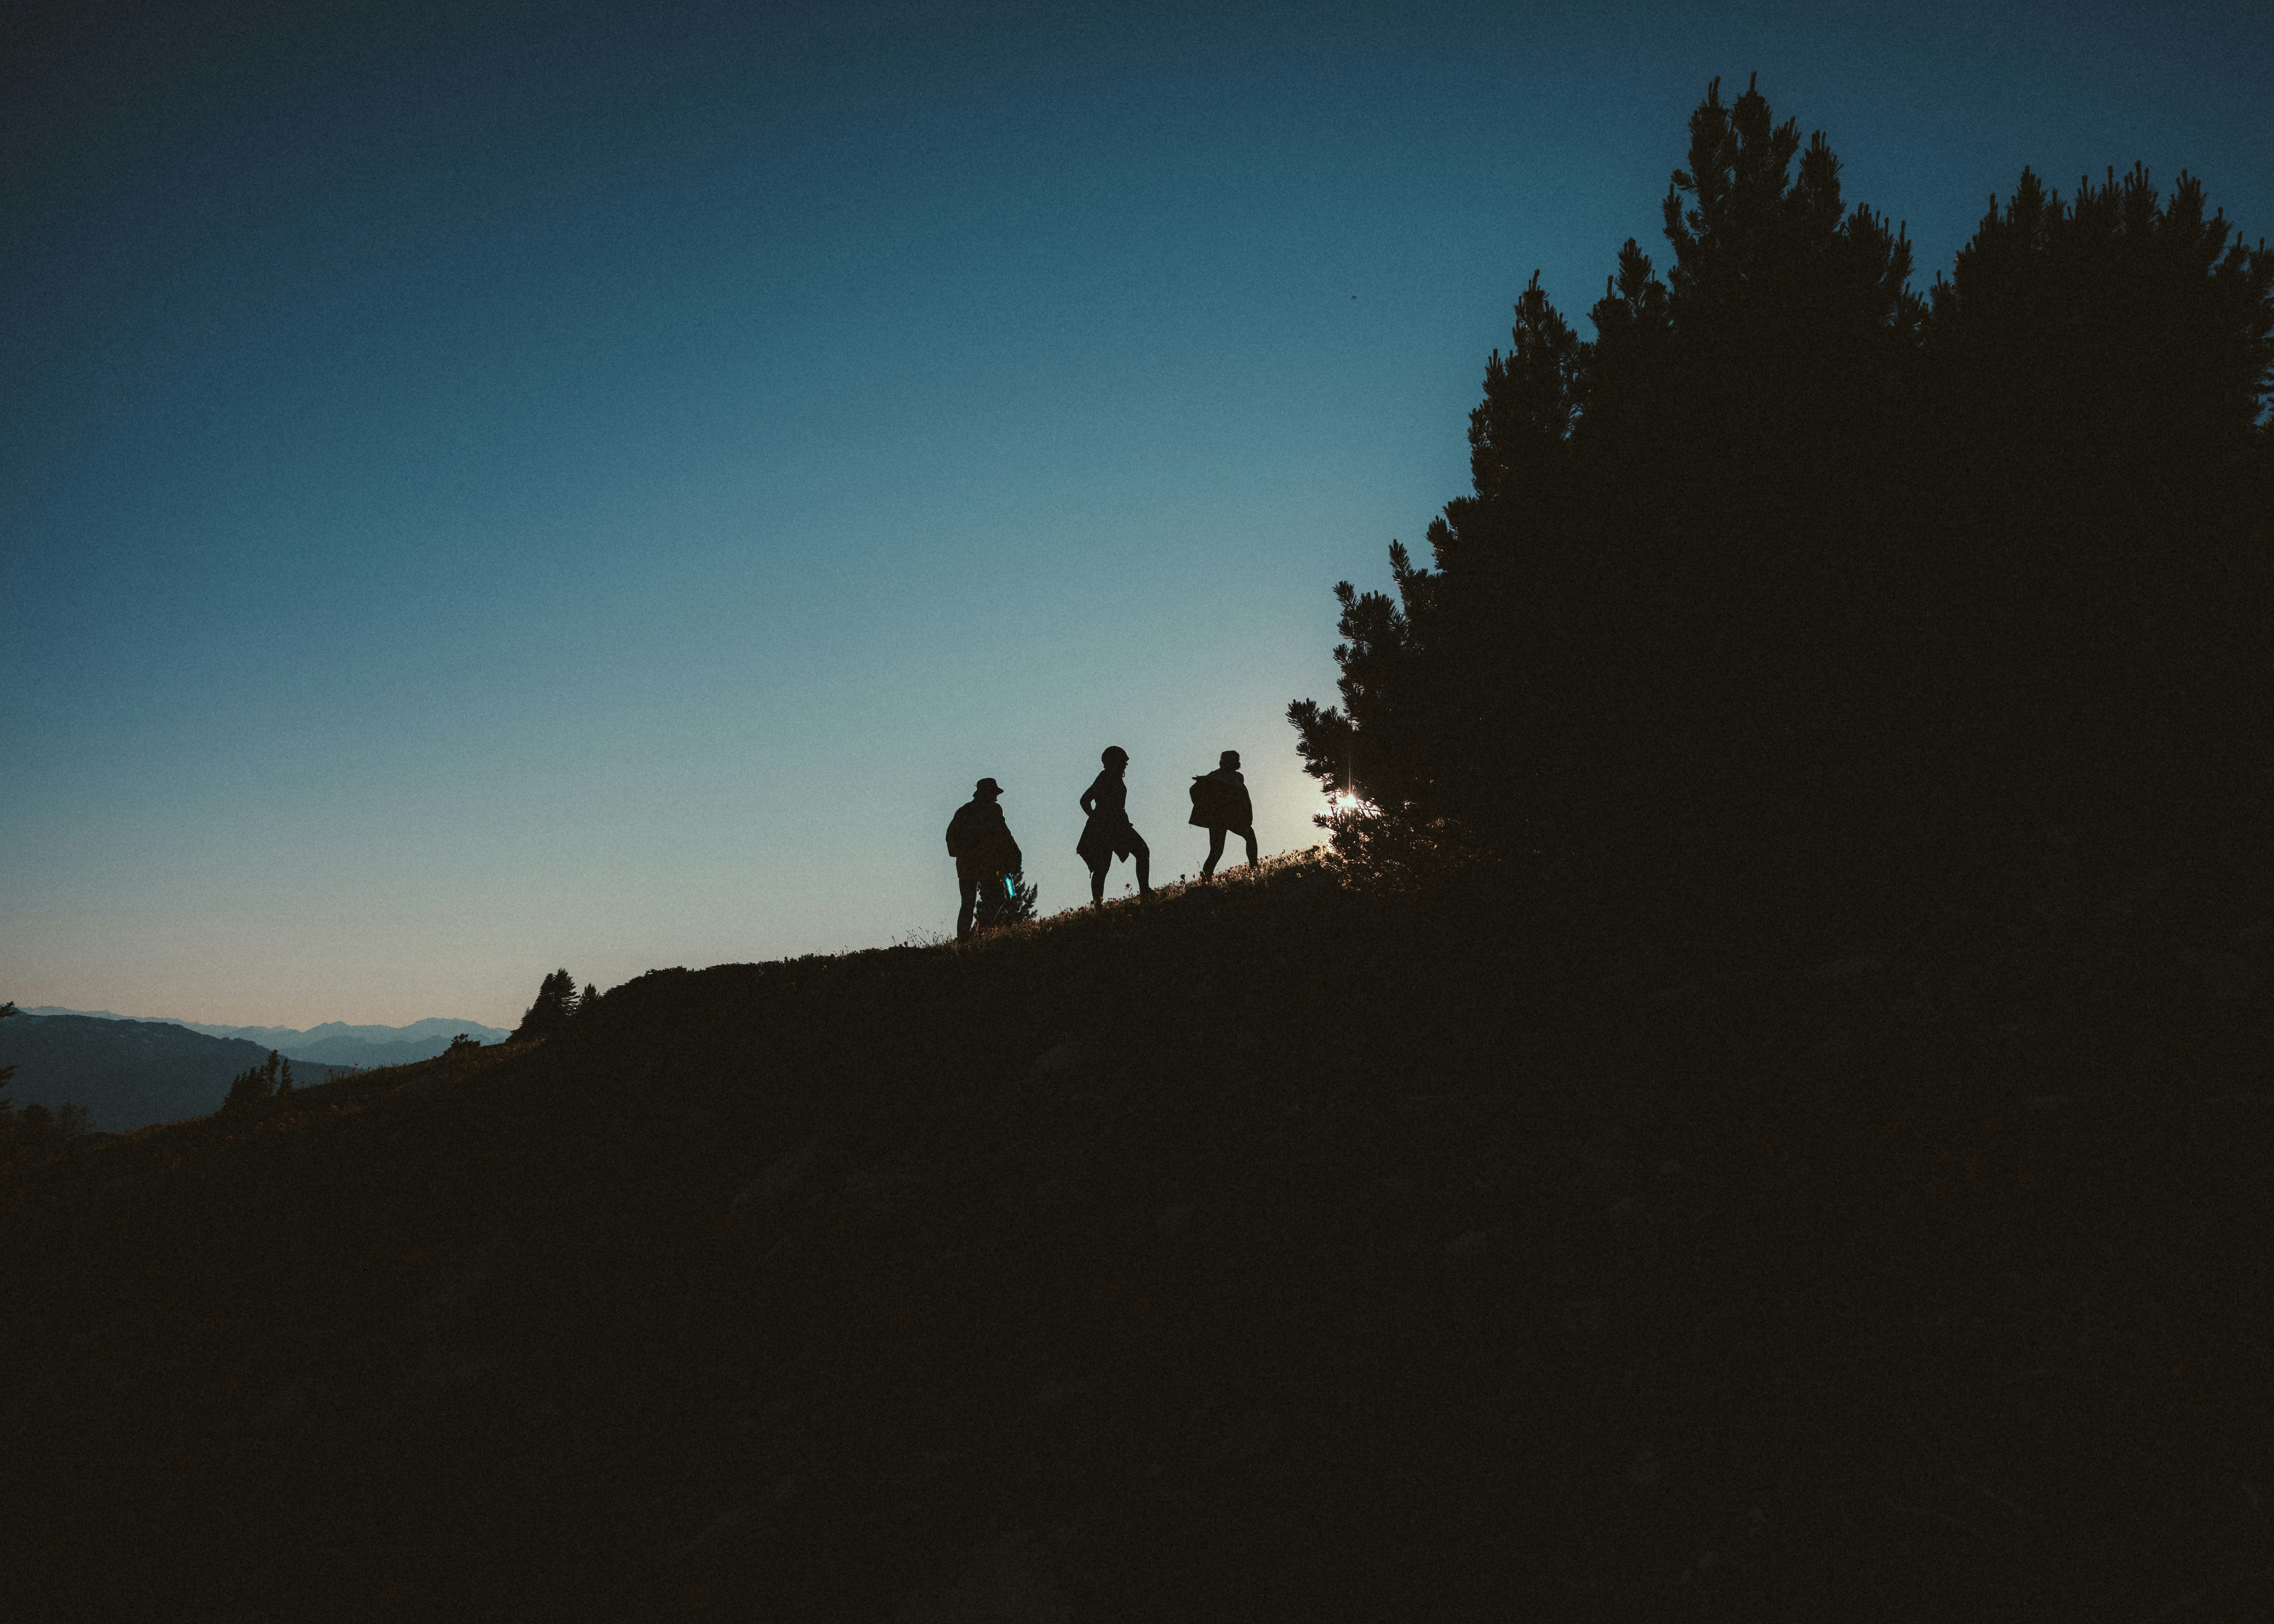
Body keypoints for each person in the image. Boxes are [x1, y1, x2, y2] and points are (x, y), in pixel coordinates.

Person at [945, 777, 1022, 942]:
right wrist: (1015, 854)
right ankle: (977, 935)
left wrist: (961, 853)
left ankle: (964, 939)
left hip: (967, 866)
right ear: (989, 793)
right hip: (988, 865)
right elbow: (1004, 834)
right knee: (996, 899)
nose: (996, 796)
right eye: (995, 793)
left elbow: (950, 835)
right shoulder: (994, 810)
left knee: (968, 904)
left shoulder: (963, 811)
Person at [1077, 745, 1152, 905]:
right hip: (1112, 827)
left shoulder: (1110, 777)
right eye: (1123, 761)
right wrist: (1097, 818)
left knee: (1104, 868)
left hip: (1112, 826)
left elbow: (1085, 801)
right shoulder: (1106, 777)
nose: (1126, 764)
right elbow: (1085, 800)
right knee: (1140, 853)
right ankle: (1144, 892)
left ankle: (1100, 905)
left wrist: (1097, 819)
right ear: (1115, 762)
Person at [1189, 749, 1259, 878]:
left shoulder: (1220, 776)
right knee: (1219, 850)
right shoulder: (1225, 776)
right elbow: (1195, 790)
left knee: (1217, 851)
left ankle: (1206, 879)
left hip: (1224, 818)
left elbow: (1243, 797)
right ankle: (1254, 869)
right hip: (1225, 818)